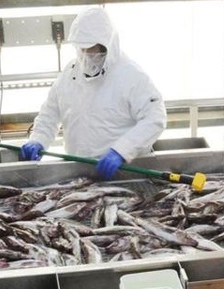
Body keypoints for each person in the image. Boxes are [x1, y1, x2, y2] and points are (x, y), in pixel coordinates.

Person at [19, 7, 166, 181]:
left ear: (107, 45)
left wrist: (121, 151)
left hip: (126, 174)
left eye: (91, 49)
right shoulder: (69, 74)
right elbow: (49, 114)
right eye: (81, 49)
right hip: (79, 175)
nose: (86, 55)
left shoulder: (131, 76)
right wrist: (38, 139)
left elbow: (154, 118)